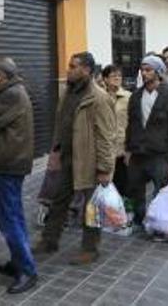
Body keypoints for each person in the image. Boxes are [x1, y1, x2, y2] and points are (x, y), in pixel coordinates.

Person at [36, 52, 115, 266]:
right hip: (69, 158)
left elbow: (107, 136)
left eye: (73, 66)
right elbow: (61, 124)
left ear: (86, 70)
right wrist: (55, 151)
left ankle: (91, 249)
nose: (68, 70)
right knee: (58, 200)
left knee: (91, 207)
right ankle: (49, 240)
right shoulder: (67, 93)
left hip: (90, 162)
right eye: (69, 66)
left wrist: (105, 169)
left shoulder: (98, 98)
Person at [0, 58, 38, 293]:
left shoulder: (11, 94)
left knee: (9, 220)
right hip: (10, 163)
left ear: (2, 75)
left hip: (8, 164)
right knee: (14, 217)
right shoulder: (12, 92)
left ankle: (28, 270)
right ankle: (18, 262)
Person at [125, 55, 168, 226]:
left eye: (148, 70)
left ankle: (159, 222)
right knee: (136, 189)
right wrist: (128, 149)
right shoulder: (136, 96)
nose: (144, 73)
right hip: (138, 152)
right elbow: (131, 124)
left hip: (160, 154)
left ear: (158, 72)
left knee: (161, 191)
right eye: (142, 70)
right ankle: (140, 219)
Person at [101, 65, 131, 195]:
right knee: (105, 185)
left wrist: (130, 149)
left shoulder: (128, 97)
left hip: (122, 147)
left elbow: (133, 123)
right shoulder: (100, 97)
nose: (117, 78)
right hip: (104, 148)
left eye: (119, 76)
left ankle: (122, 211)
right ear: (105, 79)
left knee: (122, 183)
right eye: (113, 76)